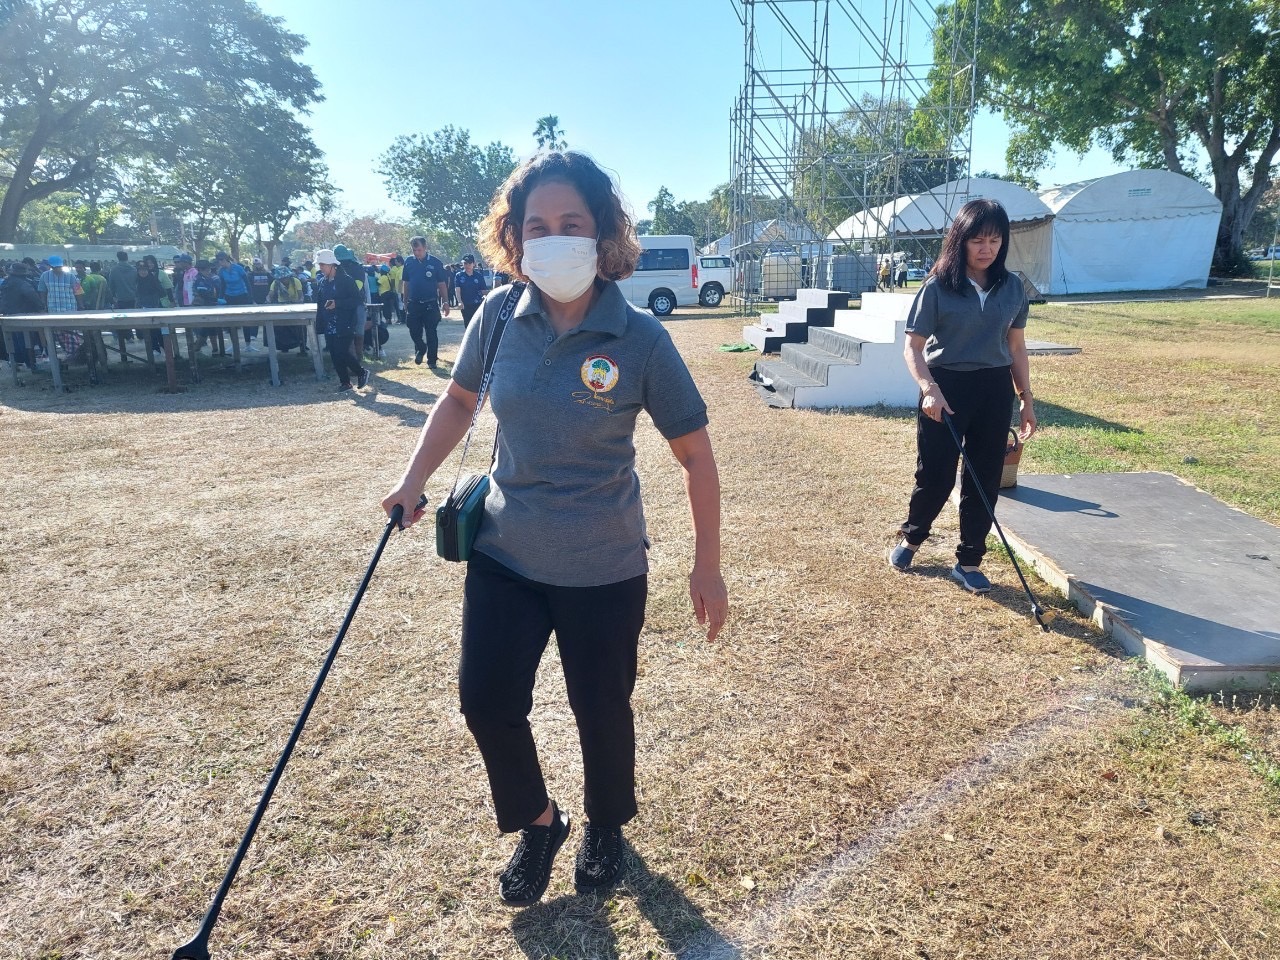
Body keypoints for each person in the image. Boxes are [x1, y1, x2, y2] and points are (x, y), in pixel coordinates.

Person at [380, 150, 728, 908]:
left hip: (605, 565)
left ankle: (607, 824)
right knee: (485, 700)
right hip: (507, 553)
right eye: (537, 225)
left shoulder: (640, 339)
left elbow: (696, 457)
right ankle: (541, 822)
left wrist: (708, 566)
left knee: (601, 707)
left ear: (603, 233)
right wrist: (413, 481)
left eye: (572, 223)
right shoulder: (498, 315)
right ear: (515, 237)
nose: (554, 237)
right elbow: (458, 403)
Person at [888, 198, 1037, 594]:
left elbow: (1017, 347)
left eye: (994, 240)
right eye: (977, 240)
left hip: (993, 388)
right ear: (960, 240)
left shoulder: (1013, 287)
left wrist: (1026, 399)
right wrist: (929, 390)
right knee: (935, 476)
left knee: (984, 477)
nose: (986, 248)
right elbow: (913, 347)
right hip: (946, 387)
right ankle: (912, 538)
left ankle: (969, 560)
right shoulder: (938, 286)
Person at [313, 248, 369, 391]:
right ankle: (345, 382)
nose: (321, 268)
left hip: (345, 323)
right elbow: (320, 304)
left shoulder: (346, 280)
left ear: (332, 264)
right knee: (334, 353)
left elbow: (357, 300)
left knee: (342, 351)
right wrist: (319, 324)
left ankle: (361, 372)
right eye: (320, 265)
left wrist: (338, 304)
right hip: (329, 324)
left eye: (323, 265)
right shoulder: (322, 282)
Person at [399, 235, 450, 366]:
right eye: (414, 250)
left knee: (431, 332)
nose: (417, 253)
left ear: (425, 248)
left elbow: (442, 284)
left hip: (430, 303)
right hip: (414, 303)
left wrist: (446, 302)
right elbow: (406, 283)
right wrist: (405, 301)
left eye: (419, 250)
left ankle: (432, 360)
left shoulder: (435, 262)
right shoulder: (409, 262)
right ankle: (421, 348)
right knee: (413, 329)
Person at [38, 255, 85, 357]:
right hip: (53, 310)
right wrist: (43, 305)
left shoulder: (71, 276)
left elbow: (78, 291)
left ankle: (74, 353)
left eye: (59, 267)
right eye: (55, 267)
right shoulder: (45, 276)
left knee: (71, 333)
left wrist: (81, 306)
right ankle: (69, 353)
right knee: (58, 334)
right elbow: (42, 291)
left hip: (70, 309)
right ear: (51, 266)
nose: (57, 269)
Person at [215, 251, 258, 351]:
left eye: (221, 260)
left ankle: (248, 345)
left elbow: (247, 283)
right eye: (218, 261)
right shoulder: (221, 271)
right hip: (229, 297)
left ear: (226, 259)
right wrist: (221, 298)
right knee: (231, 321)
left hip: (242, 295)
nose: (220, 262)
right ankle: (234, 345)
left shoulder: (238, 268)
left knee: (245, 321)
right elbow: (222, 286)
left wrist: (251, 298)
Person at [454, 254, 489, 325]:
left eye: (469, 263)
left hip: (477, 304)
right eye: (465, 263)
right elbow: (457, 290)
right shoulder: (459, 275)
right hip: (465, 305)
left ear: (473, 264)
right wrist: (460, 301)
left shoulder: (479, 276)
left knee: (477, 324)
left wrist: (492, 292)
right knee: (468, 325)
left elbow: (483, 291)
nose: (467, 265)